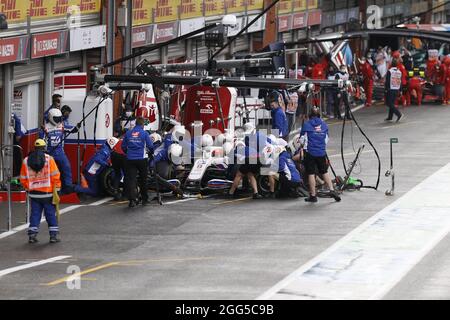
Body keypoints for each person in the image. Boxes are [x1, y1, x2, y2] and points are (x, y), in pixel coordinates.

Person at [20, 139, 61, 244]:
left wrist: (28, 188)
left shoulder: (26, 160)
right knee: (50, 214)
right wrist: (57, 188)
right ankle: (53, 236)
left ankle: (32, 236)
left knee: (35, 214)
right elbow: (55, 175)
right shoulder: (49, 159)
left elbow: (23, 178)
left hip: (33, 193)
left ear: (34, 147)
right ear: (44, 147)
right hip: (48, 193)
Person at [299, 106, 341, 203]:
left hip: (310, 152)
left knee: (311, 173)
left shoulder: (307, 124)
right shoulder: (324, 124)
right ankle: (332, 190)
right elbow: (326, 139)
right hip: (321, 152)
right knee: (324, 171)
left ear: (310, 115)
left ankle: (313, 195)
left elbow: (302, 140)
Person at [39, 108, 75, 194]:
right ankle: (49, 187)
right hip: (49, 153)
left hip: (60, 151)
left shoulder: (62, 125)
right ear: (51, 117)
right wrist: (44, 151)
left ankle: (68, 186)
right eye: (56, 118)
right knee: (49, 171)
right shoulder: (45, 128)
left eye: (59, 118)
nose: (58, 120)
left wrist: (76, 127)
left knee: (66, 166)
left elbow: (72, 129)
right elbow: (41, 142)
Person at [121, 117, 154, 208]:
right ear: (142, 125)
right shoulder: (144, 133)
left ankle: (132, 200)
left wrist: (128, 153)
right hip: (141, 159)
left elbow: (123, 146)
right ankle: (144, 200)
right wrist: (151, 152)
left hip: (130, 159)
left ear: (136, 124)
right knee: (143, 179)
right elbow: (150, 145)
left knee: (131, 180)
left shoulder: (128, 133)